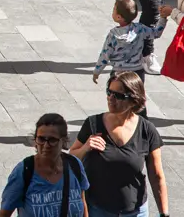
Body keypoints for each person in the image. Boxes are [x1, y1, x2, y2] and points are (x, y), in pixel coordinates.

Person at [70, 71, 169, 217]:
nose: (111, 98)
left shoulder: (147, 131)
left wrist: (164, 214)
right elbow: (71, 158)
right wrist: (85, 148)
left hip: (136, 212)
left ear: (134, 100)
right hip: (98, 210)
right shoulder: (93, 124)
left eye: (118, 95)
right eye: (109, 92)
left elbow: (156, 176)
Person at [0, 113, 90, 217]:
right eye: (41, 139)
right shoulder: (24, 171)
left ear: (63, 141)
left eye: (52, 140)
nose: (46, 145)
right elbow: (4, 213)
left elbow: (83, 204)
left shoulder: (74, 165)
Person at [93, 0, 169, 100]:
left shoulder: (113, 35)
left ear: (119, 17)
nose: (112, 12)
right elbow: (156, 33)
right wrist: (163, 19)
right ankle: (141, 115)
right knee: (137, 97)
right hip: (137, 72)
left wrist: (97, 71)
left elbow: (105, 54)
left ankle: (118, 114)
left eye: (113, 10)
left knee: (116, 97)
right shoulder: (140, 29)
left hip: (118, 73)